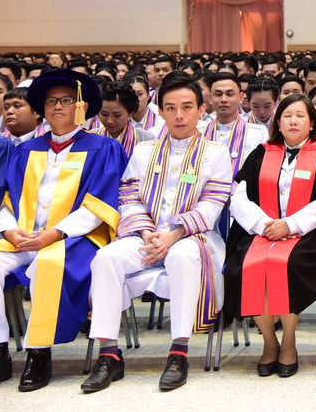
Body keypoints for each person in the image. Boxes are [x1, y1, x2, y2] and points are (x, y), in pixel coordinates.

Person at [83, 72, 232, 393]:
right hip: (145, 235)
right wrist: (148, 234)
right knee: (106, 258)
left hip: (192, 237)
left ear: (201, 109)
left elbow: (212, 205)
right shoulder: (144, 150)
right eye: (171, 108)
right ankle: (109, 354)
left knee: (182, 256)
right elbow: (128, 197)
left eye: (187, 107)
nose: (179, 115)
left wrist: (172, 235)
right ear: (160, 111)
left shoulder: (216, 152)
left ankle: (179, 352)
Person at [0, 70, 124, 391]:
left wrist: (53, 234)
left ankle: (39, 353)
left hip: (74, 239)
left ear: (81, 107)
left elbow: (99, 206)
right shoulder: (26, 150)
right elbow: (7, 200)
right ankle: (0, 351)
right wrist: (9, 231)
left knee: (47, 264)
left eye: (66, 100)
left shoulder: (103, 148)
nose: (57, 106)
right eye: (51, 100)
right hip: (23, 237)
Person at [223, 94, 316, 377]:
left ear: (312, 122)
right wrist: (264, 224)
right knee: (246, 265)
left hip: (309, 234)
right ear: (277, 123)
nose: (293, 121)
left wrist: (290, 225)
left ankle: (289, 339)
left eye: (300, 116)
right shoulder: (261, 152)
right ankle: (269, 341)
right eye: (287, 116)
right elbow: (238, 196)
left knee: (288, 264)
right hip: (262, 230)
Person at [202, 73, 269, 189]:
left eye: (229, 94)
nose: (223, 99)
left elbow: (261, 173)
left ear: (241, 97)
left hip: (241, 196)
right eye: (218, 94)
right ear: (210, 99)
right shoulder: (199, 132)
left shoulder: (258, 134)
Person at [93, 81, 155, 158]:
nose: (110, 121)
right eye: (104, 114)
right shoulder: (91, 137)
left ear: (130, 113)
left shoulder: (147, 140)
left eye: (117, 115)